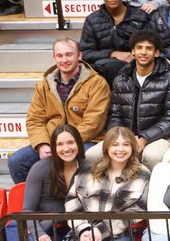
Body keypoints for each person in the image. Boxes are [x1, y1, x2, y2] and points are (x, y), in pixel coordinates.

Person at [9, 38, 110, 184]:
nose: (64, 60)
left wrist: (64, 144)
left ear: (79, 56)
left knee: (87, 159)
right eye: (60, 55)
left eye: (69, 54)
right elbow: (35, 119)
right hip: (51, 141)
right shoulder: (44, 85)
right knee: (16, 161)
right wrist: (42, 144)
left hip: (85, 140)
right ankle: (34, 202)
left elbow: (94, 122)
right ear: (54, 57)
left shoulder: (97, 83)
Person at [93, 28, 170, 172]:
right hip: (124, 136)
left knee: (152, 156)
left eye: (149, 48)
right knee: (92, 155)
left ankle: (152, 193)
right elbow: (115, 114)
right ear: (133, 52)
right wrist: (121, 137)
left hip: (158, 137)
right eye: (139, 48)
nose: (143, 52)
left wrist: (144, 138)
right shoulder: (121, 79)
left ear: (157, 53)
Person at [79, 0, 149, 82]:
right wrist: (113, 54)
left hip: (136, 66)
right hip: (102, 70)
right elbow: (86, 53)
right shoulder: (92, 20)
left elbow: (150, 45)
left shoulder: (140, 17)